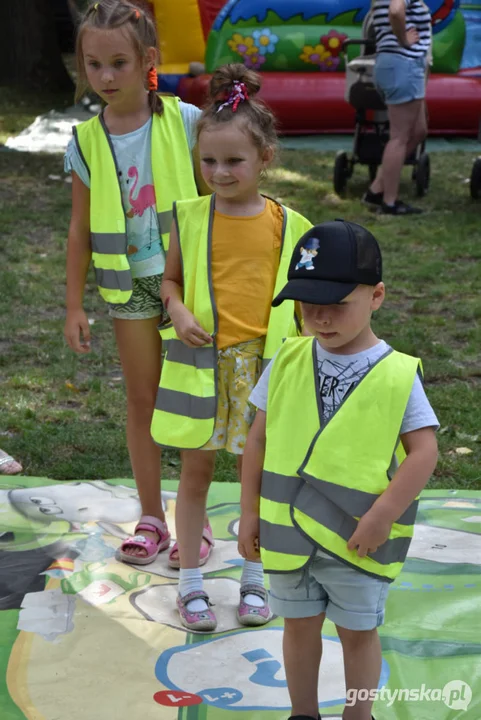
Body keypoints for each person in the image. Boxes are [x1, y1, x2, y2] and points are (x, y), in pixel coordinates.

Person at [238, 220, 439, 720]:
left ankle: (358, 715)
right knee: (298, 630)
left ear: (377, 296)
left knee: (357, 634)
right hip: (287, 537)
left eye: (337, 305)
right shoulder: (286, 358)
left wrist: (383, 516)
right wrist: (249, 512)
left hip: (357, 539)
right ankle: (302, 713)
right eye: (309, 307)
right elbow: (257, 439)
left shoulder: (396, 374)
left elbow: (424, 452)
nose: (321, 319)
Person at [152, 63, 313, 631]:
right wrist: (177, 309)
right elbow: (168, 282)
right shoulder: (190, 219)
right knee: (194, 473)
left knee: (261, 477)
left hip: (266, 373)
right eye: (209, 161)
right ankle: (191, 585)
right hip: (202, 367)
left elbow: (306, 304)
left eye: (233, 161)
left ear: (265, 157)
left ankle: (254, 578)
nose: (219, 172)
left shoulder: (291, 224)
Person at [64, 0, 206, 565]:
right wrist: (74, 304)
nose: (104, 76)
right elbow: (78, 229)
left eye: (118, 63)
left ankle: (192, 515)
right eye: (93, 64)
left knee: (196, 401)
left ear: (148, 59)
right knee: (142, 400)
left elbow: (218, 198)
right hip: (128, 294)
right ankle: (152, 516)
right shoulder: (84, 140)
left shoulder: (188, 120)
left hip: (187, 289)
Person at [364, 0, 432, 215]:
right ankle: (389, 202)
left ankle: (376, 189)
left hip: (396, 65)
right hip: (403, 64)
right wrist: (404, 40)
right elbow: (396, 11)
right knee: (400, 137)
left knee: (418, 130)